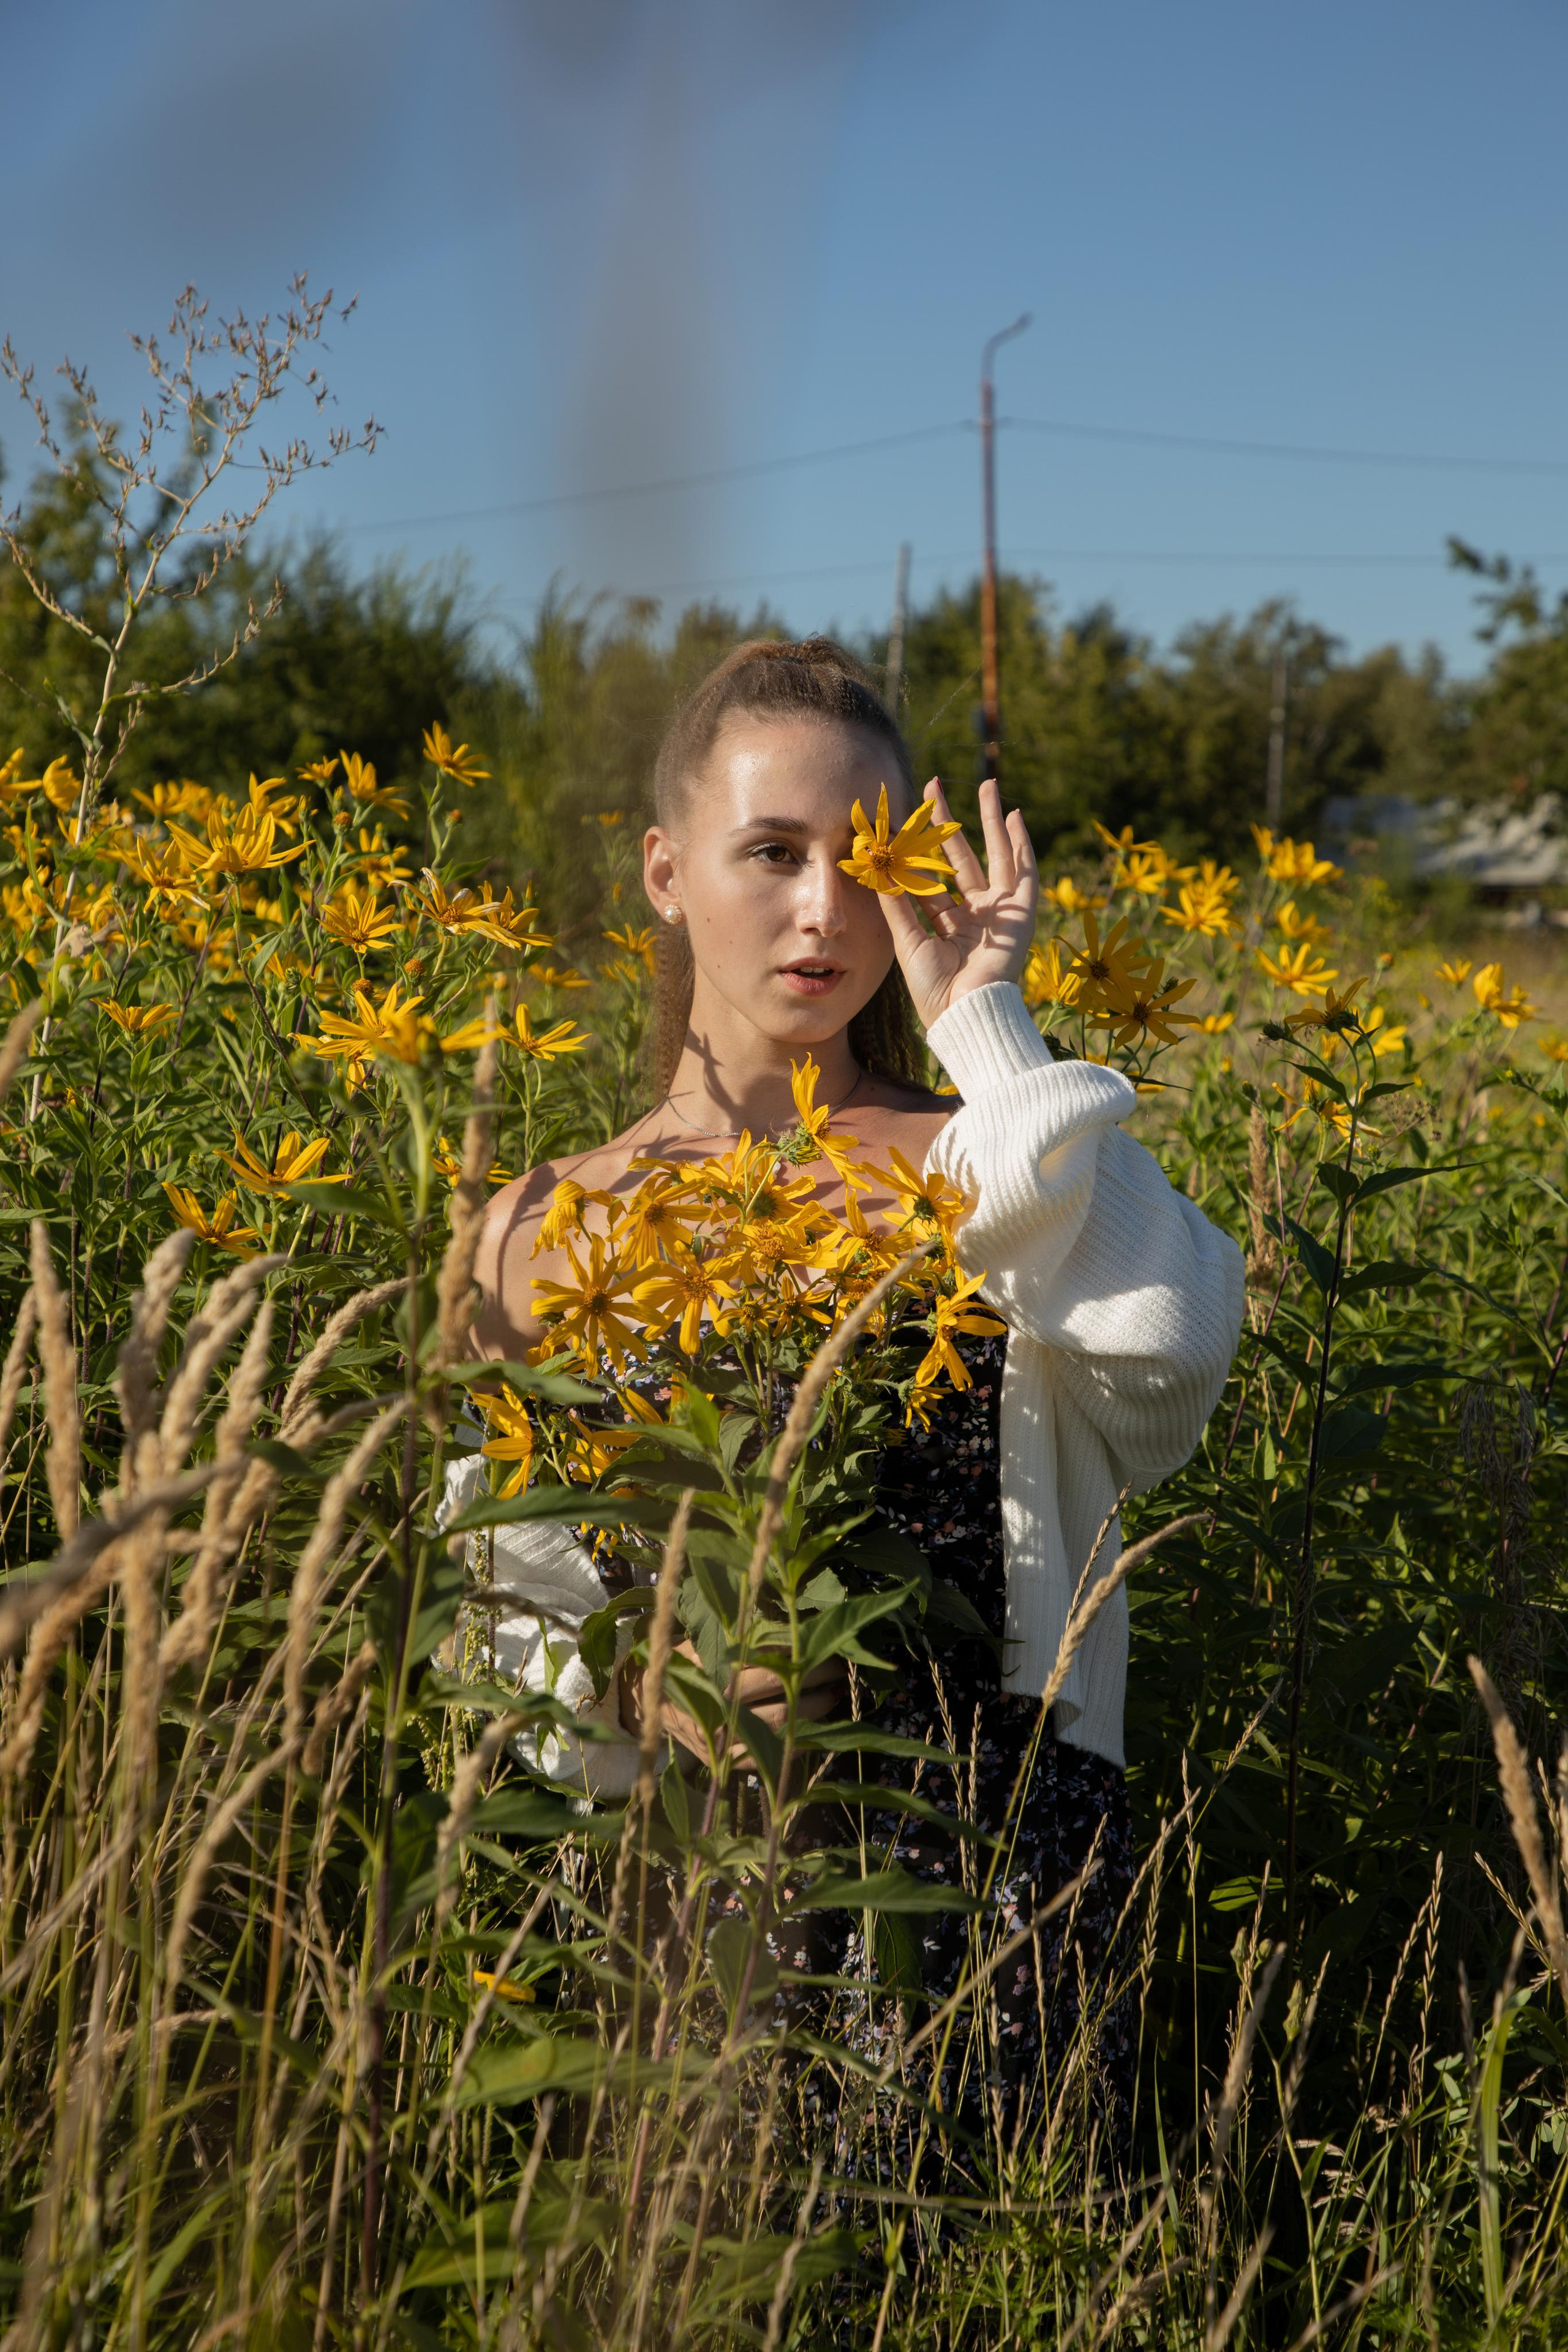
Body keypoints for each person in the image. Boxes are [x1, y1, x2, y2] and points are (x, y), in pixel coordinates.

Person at [466, 636, 1245, 2152]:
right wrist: (625, 1693)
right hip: (673, 1878)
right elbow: (507, 1606)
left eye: (866, 857)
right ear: (661, 870)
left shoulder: (987, 1160)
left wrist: (984, 1024)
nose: (825, 909)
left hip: (985, 1869)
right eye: (769, 851)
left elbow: (1166, 1362)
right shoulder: (538, 1224)